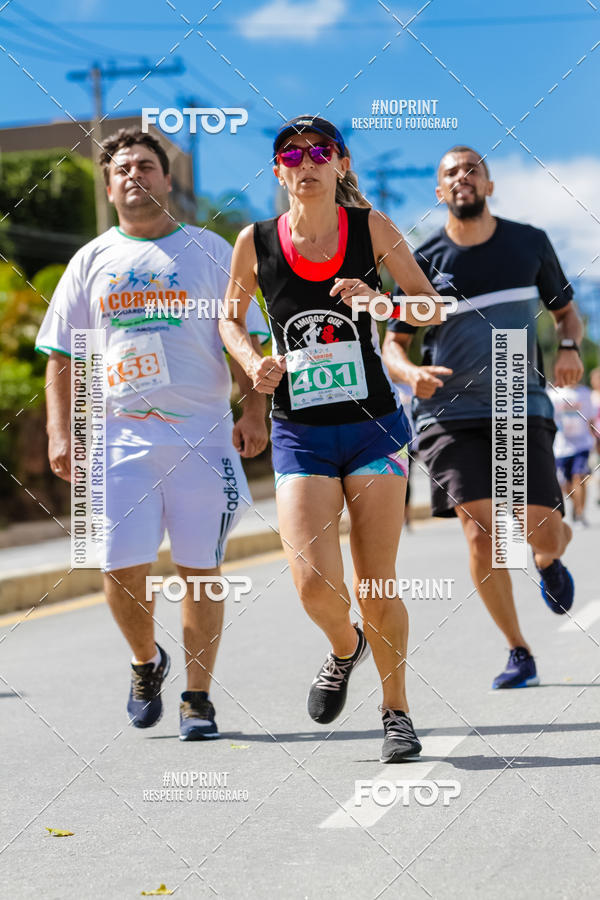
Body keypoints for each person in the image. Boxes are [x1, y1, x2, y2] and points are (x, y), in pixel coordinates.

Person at [219, 115, 447, 763]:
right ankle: (347, 647)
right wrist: (252, 365)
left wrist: (382, 305)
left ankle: (396, 711)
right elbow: (230, 320)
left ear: (341, 163)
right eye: (292, 154)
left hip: (374, 427)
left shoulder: (371, 229)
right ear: (278, 171)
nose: (307, 161)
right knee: (313, 581)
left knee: (376, 582)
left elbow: (430, 304)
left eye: (321, 150)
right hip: (300, 430)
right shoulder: (254, 241)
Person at [36, 127, 270, 739]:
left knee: (199, 569)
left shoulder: (211, 250)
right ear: (110, 187)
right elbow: (63, 354)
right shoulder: (90, 261)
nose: (134, 174)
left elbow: (251, 339)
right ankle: (146, 663)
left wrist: (255, 412)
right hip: (117, 438)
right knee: (119, 568)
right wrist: (61, 433)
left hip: (205, 437)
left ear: (167, 180)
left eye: (146, 164)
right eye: (122, 169)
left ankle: (198, 697)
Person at [382, 145, 584, 689]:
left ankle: (547, 560)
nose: (462, 178)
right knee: (480, 532)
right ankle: (518, 650)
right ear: (439, 191)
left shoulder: (530, 243)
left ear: (489, 185)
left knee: (539, 528)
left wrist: (568, 348)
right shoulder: (423, 262)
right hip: (449, 411)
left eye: (473, 170)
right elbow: (393, 344)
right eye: (450, 173)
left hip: (519, 399)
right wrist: (409, 375)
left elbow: (566, 313)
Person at [548, 382, 597, 526]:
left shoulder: (584, 393)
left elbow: (591, 418)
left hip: (582, 444)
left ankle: (580, 513)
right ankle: (576, 505)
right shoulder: (553, 394)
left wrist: (593, 438)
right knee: (565, 483)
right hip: (561, 446)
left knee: (579, 477)